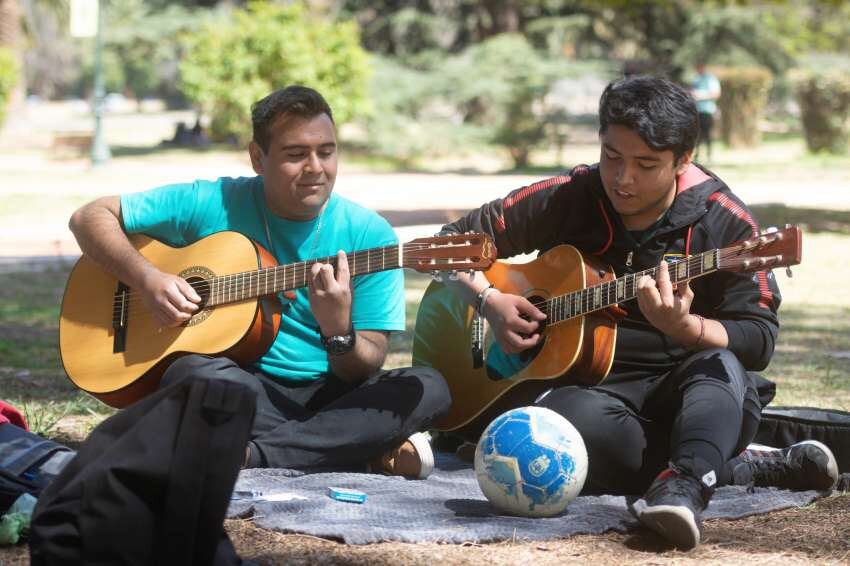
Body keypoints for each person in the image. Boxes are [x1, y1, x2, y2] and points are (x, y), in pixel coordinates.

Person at [440, 75, 838, 549]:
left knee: (718, 367)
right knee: (559, 428)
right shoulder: (572, 195)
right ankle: (735, 466)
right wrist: (491, 301)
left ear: (683, 160)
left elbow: (758, 339)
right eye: (612, 156)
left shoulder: (726, 222)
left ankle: (685, 486)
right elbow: (451, 243)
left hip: (700, 391)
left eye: (646, 165)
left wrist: (688, 328)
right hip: (597, 393)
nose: (623, 179)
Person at [68, 85, 451, 479]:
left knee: (428, 386)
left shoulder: (372, 237)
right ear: (257, 157)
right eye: (295, 154)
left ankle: (252, 456)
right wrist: (147, 278)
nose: (316, 167)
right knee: (194, 377)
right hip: (243, 385)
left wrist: (338, 331)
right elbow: (89, 217)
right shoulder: (211, 201)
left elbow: (363, 367)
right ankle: (352, 449)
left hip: (333, 393)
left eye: (327, 151)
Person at [691, 63, 721, 161]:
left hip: (707, 110)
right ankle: (697, 154)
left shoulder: (710, 79)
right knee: (697, 135)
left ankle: (709, 155)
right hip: (697, 110)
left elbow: (716, 94)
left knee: (707, 133)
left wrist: (702, 96)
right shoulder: (696, 79)